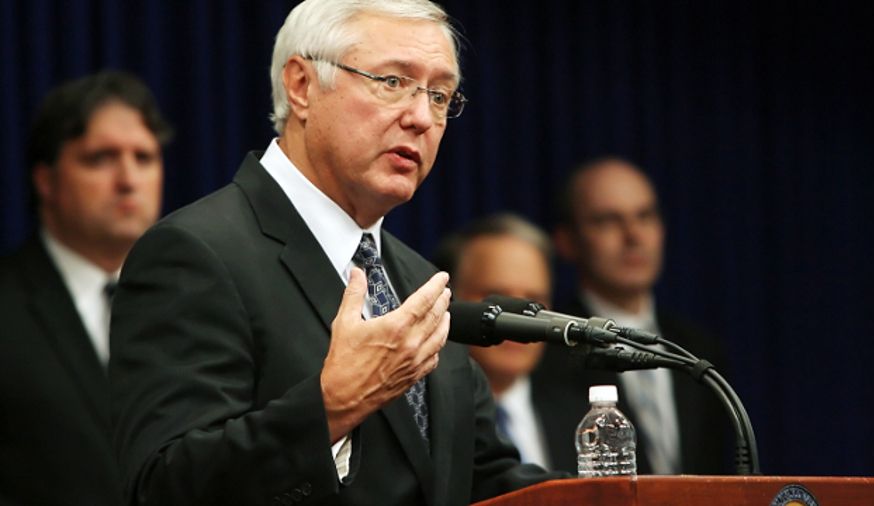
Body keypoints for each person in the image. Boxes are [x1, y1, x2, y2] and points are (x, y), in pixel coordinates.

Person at [108, 1, 564, 505]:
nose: (420, 117)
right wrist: (330, 407)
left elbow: (478, 478)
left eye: (439, 95)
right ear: (302, 86)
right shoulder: (196, 253)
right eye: (392, 82)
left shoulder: (420, 282)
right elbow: (162, 486)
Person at [0, 70, 172, 506]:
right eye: (100, 158)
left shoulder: (195, 301)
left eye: (144, 157)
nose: (128, 180)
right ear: (45, 180)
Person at [536, 156, 730, 475]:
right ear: (567, 241)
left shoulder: (700, 350)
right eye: (608, 220)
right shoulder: (549, 349)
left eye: (645, 216)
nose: (633, 235)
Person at [433, 212, 559, 469]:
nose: (520, 320)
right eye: (498, 300)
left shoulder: (583, 408)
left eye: (534, 302)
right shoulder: (426, 414)